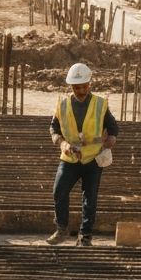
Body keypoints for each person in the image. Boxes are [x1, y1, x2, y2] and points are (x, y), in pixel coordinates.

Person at [48, 63, 118, 246]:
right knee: (59, 191)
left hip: (93, 158)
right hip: (70, 157)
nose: (81, 91)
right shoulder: (63, 104)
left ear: (89, 84)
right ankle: (61, 229)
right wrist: (62, 143)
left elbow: (113, 128)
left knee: (90, 199)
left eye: (84, 86)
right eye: (77, 87)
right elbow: (54, 128)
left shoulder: (100, 104)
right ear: (71, 87)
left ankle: (85, 236)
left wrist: (109, 141)